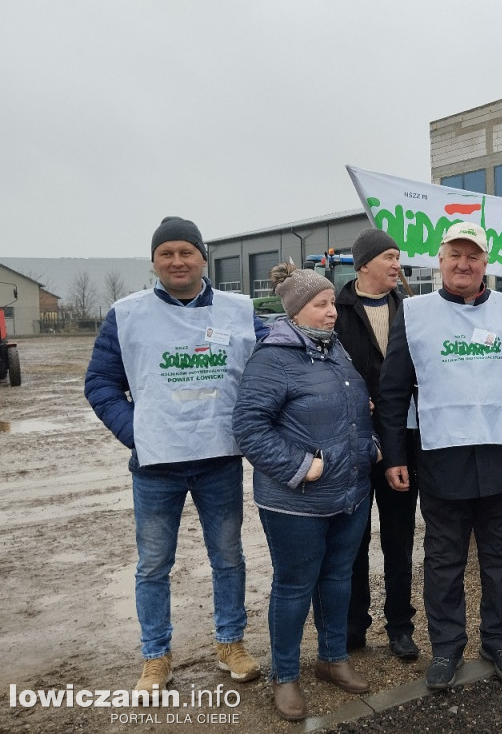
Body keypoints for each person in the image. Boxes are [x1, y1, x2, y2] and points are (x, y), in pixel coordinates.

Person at [84, 216, 266, 691]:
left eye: (186, 252)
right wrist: (136, 433)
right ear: (154, 261)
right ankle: (156, 655)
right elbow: (100, 382)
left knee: (228, 557)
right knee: (153, 564)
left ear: (203, 257)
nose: (177, 261)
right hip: (155, 465)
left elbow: (274, 366)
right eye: (166, 253)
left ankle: (230, 642)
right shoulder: (127, 314)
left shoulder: (239, 311)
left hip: (219, 459)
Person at [377, 221, 502, 690]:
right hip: (441, 457)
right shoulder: (415, 314)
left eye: (473, 256)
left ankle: (499, 642)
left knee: (499, 558)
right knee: (443, 560)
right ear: (440, 260)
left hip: (501, 454)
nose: (464, 264)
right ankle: (447, 648)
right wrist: (394, 455)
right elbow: (392, 391)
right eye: (455, 254)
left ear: (486, 263)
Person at [232, 264, 379, 721]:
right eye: (322, 304)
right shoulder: (273, 358)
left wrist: (369, 444)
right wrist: (301, 466)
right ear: (296, 311)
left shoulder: (335, 352)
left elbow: (351, 410)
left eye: (333, 302)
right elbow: (248, 427)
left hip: (350, 492)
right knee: (295, 585)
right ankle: (285, 675)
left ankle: (332, 658)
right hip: (294, 500)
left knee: (338, 579)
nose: (332, 312)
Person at [335, 228, 420, 661]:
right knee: (353, 540)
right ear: (363, 263)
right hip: (353, 443)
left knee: (400, 540)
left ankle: (400, 626)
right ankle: (354, 626)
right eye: (388, 256)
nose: (395, 263)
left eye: (397, 256)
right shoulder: (335, 309)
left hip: (402, 442)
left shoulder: (411, 309)